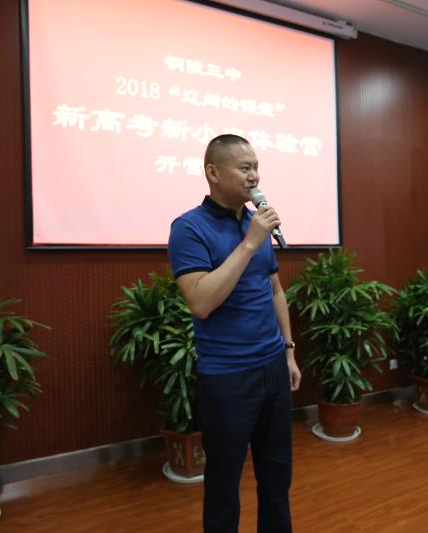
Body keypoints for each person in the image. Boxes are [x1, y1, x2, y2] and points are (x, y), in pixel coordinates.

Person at [168, 134, 301, 533]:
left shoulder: (254, 221)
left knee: (277, 476)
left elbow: (275, 290)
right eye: (244, 168)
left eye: (256, 167)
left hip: (273, 367)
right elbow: (200, 302)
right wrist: (249, 243)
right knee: (224, 484)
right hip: (227, 377)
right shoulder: (189, 228)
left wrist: (289, 351)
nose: (254, 176)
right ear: (213, 173)